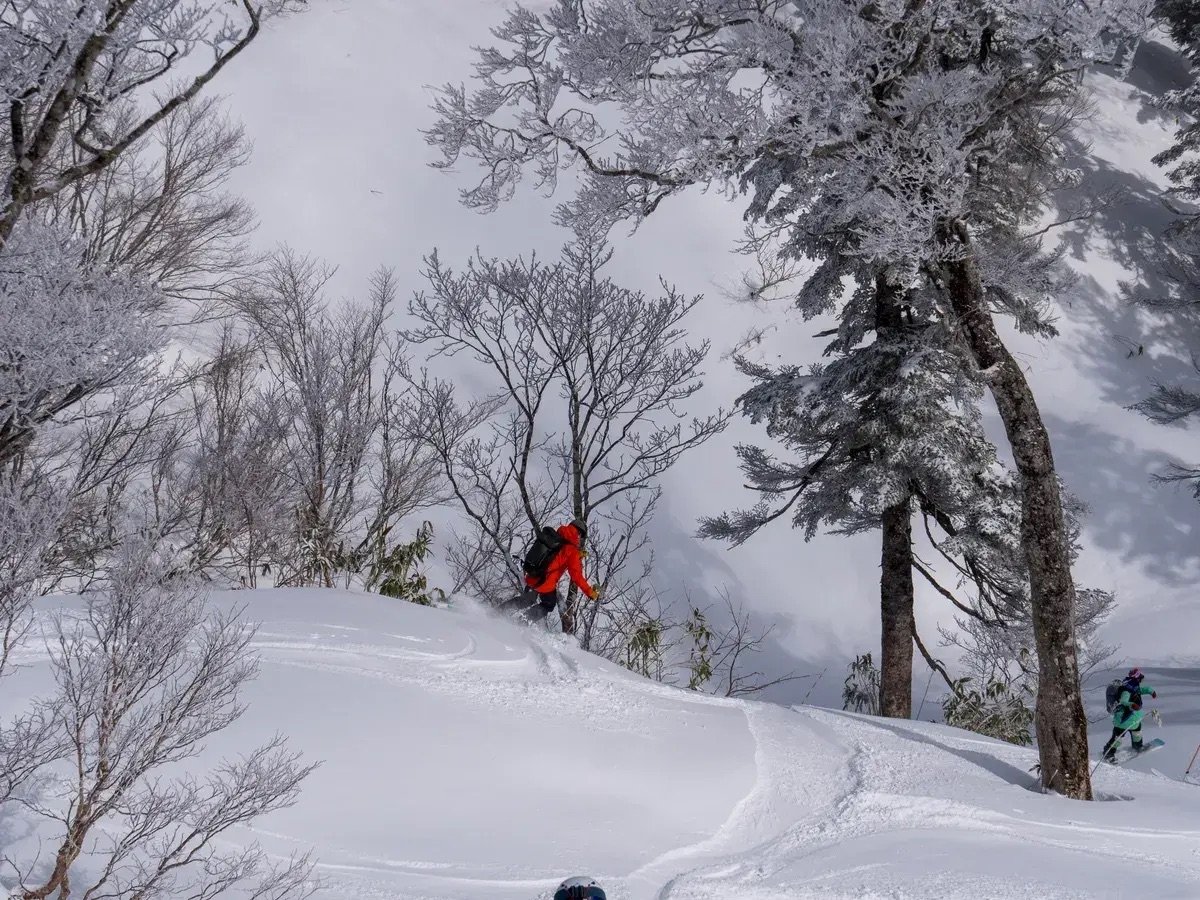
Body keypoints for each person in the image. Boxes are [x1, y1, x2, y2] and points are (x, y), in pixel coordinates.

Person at [507, 518, 600, 623]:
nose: (580, 540)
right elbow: (576, 576)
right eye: (581, 537)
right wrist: (590, 592)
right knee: (549, 604)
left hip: (532, 575)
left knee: (527, 600)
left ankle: (499, 611)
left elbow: (559, 555)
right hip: (545, 582)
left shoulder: (555, 537)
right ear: (579, 534)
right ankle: (522, 622)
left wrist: (577, 555)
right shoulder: (572, 551)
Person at [1102, 667, 1157, 762]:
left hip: (1132, 719)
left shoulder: (1133, 686)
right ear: (1136, 678)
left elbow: (1141, 690)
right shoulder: (1126, 690)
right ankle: (1109, 753)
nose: (1142, 679)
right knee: (1119, 737)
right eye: (1140, 677)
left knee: (1131, 734)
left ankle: (1135, 747)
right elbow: (1123, 700)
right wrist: (1132, 704)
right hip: (1124, 718)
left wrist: (1151, 691)